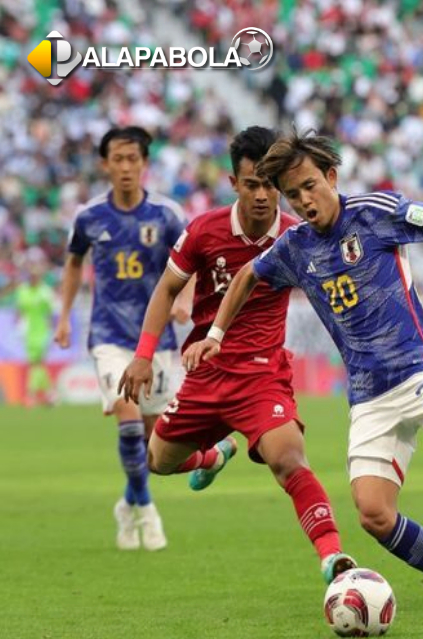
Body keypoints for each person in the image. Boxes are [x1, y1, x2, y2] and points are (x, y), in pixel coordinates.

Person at [183, 131, 423, 622]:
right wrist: (217, 332)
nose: (303, 200)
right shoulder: (294, 247)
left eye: (309, 186)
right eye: (293, 194)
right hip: (369, 396)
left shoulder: (374, 211)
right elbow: (246, 276)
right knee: (372, 514)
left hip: (420, 369)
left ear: (330, 177)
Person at [117, 126, 355, 584]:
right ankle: (214, 455)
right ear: (234, 184)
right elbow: (167, 288)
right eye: (252, 184)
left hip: (262, 374)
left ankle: (334, 558)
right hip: (206, 372)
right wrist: (144, 354)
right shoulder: (204, 230)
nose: (263, 195)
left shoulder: (297, 236)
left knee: (289, 460)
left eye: (270, 185)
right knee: (157, 461)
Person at [54, 126, 192, 552]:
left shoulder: (167, 215)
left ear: (145, 163)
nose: (127, 167)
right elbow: (75, 263)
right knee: (128, 421)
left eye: (134, 159)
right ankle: (148, 511)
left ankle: (128, 502)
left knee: (154, 448)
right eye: (119, 159)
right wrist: (64, 318)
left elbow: (191, 264)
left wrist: (184, 299)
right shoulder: (89, 217)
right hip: (109, 337)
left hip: (157, 342)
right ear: (105, 164)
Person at [15, 261, 55, 407]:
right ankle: (50, 394)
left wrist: (52, 331)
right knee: (38, 364)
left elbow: (51, 313)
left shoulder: (45, 292)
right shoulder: (23, 291)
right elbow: (19, 311)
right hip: (28, 332)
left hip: (43, 332)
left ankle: (31, 395)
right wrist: (18, 327)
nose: (33, 278)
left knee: (36, 363)